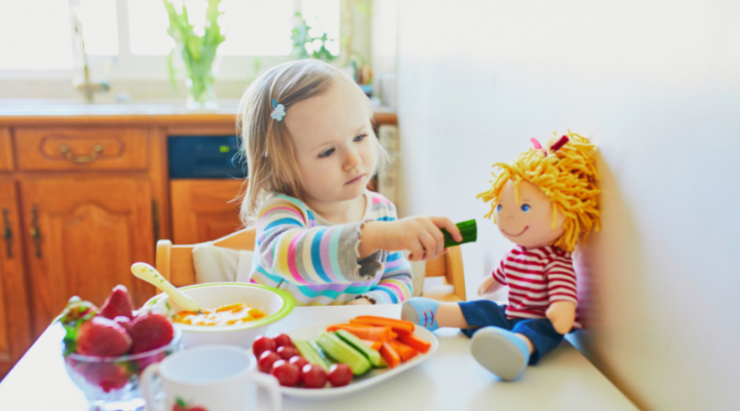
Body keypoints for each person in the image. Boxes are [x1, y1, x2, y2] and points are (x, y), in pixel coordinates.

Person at [238, 59, 462, 306]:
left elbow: (398, 279)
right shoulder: (282, 212)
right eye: (327, 152)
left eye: (359, 136)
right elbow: (291, 256)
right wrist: (376, 236)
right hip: (282, 339)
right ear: (282, 167)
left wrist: (370, 301)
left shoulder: (381, 211)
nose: (353, 160)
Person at [402, 132, 600, 381]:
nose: (507, 216)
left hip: (539, 318)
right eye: (501, 207)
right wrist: (490, 283)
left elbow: (563, 294)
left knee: (537, 330)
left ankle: (516, 348)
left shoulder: (555, 261)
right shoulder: (515, 254)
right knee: (484, 308)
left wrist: (562, 309)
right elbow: (502, 274)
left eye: (524, 207)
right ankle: (435, 314)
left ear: (566, 209)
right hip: (509, 312)